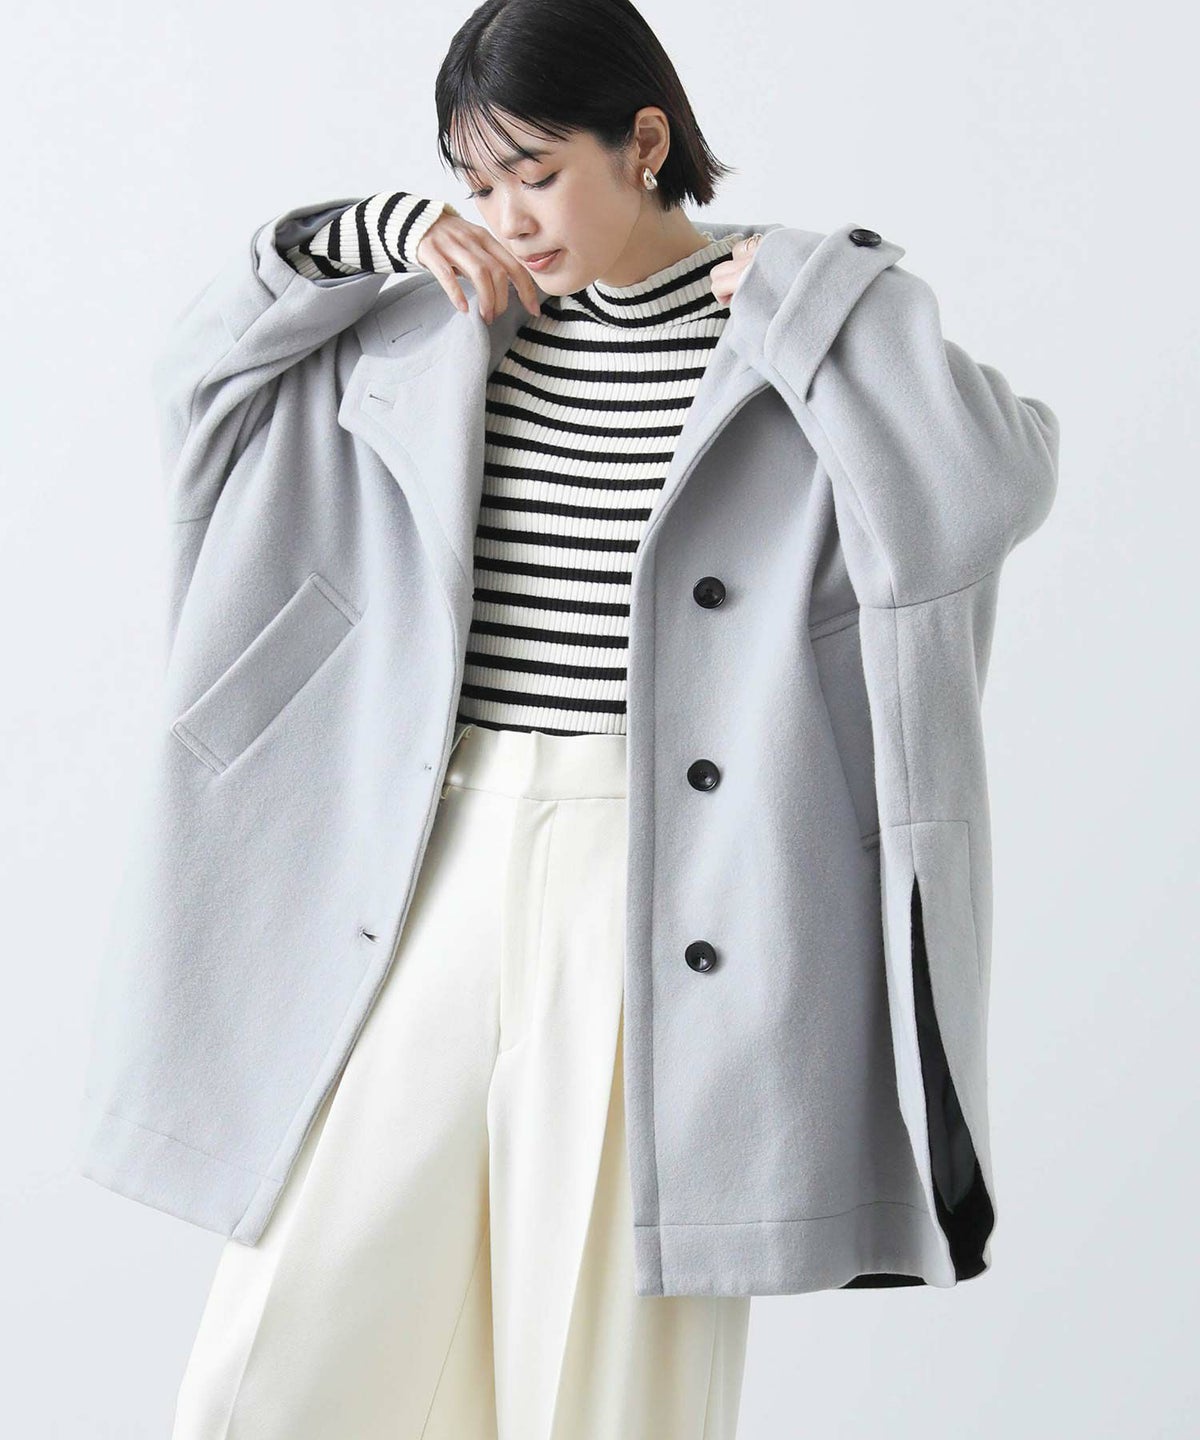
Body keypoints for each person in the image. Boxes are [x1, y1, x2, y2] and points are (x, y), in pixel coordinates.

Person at [170, 1, 759, 1434]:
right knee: (280, 1349)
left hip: (661, 867)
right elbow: (203, 387)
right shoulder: (447, 321)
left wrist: (822, 300)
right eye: (475, 180)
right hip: (438, 845)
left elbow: (983, 485)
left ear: (644, 141)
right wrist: (364, 234)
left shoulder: (776, 323)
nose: (506, 217)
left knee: (601, 1374)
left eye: (535, 174)